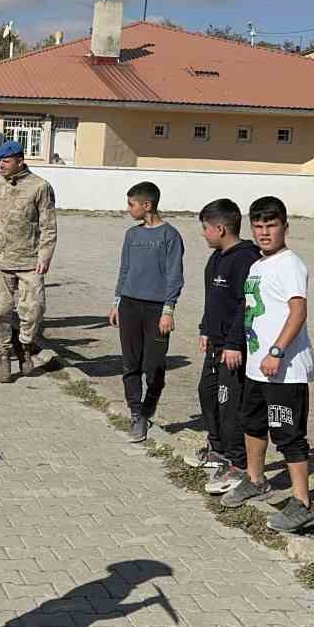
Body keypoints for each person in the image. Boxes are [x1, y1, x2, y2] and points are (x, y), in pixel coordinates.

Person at [219, 196, 314, 534]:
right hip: (256, 368)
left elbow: (298, 311)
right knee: (253, 425)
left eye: (271, 225)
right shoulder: (258, 265)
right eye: (258, 226)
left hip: (285, 370)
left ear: (285, 228)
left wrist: (276, 351)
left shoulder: (290, 264)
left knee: (289, 436)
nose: (264, 233)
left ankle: (303, 503)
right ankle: (255, 479)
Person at [0, 140, 57, 383]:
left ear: (19, 160)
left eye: (6, 161)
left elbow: (48, 226)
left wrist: (45, 256)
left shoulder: (40, 187)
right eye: (0, 161)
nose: (1, 165)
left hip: (29, 259)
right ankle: (3, 355)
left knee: (35, 309)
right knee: (0, 312)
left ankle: (25, 346)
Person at [108, 181, 186, 443]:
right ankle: (136, 414)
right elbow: (124, 269)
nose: (128, 209)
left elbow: (175, 276)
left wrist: (168, 310)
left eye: (132, 204)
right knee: (130, 364)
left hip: (156, 310)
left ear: (147, 205)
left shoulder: (170, 236)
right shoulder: (132, 235)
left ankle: (149, 407)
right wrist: (116, 302)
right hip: (129, 305)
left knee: (153, 365)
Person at [194, 198, 261, 494]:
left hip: (234, 348)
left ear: (220, 228)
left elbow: (245, 306)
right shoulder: (216, 257)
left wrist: (235, 343)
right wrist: (206, 329)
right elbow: (214, 301)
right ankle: (218, 451)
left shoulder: (245, 259)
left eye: (205, 229)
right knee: (207, 393)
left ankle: (238, 463)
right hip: (215, 343)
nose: (203, 234)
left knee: (230, 404)